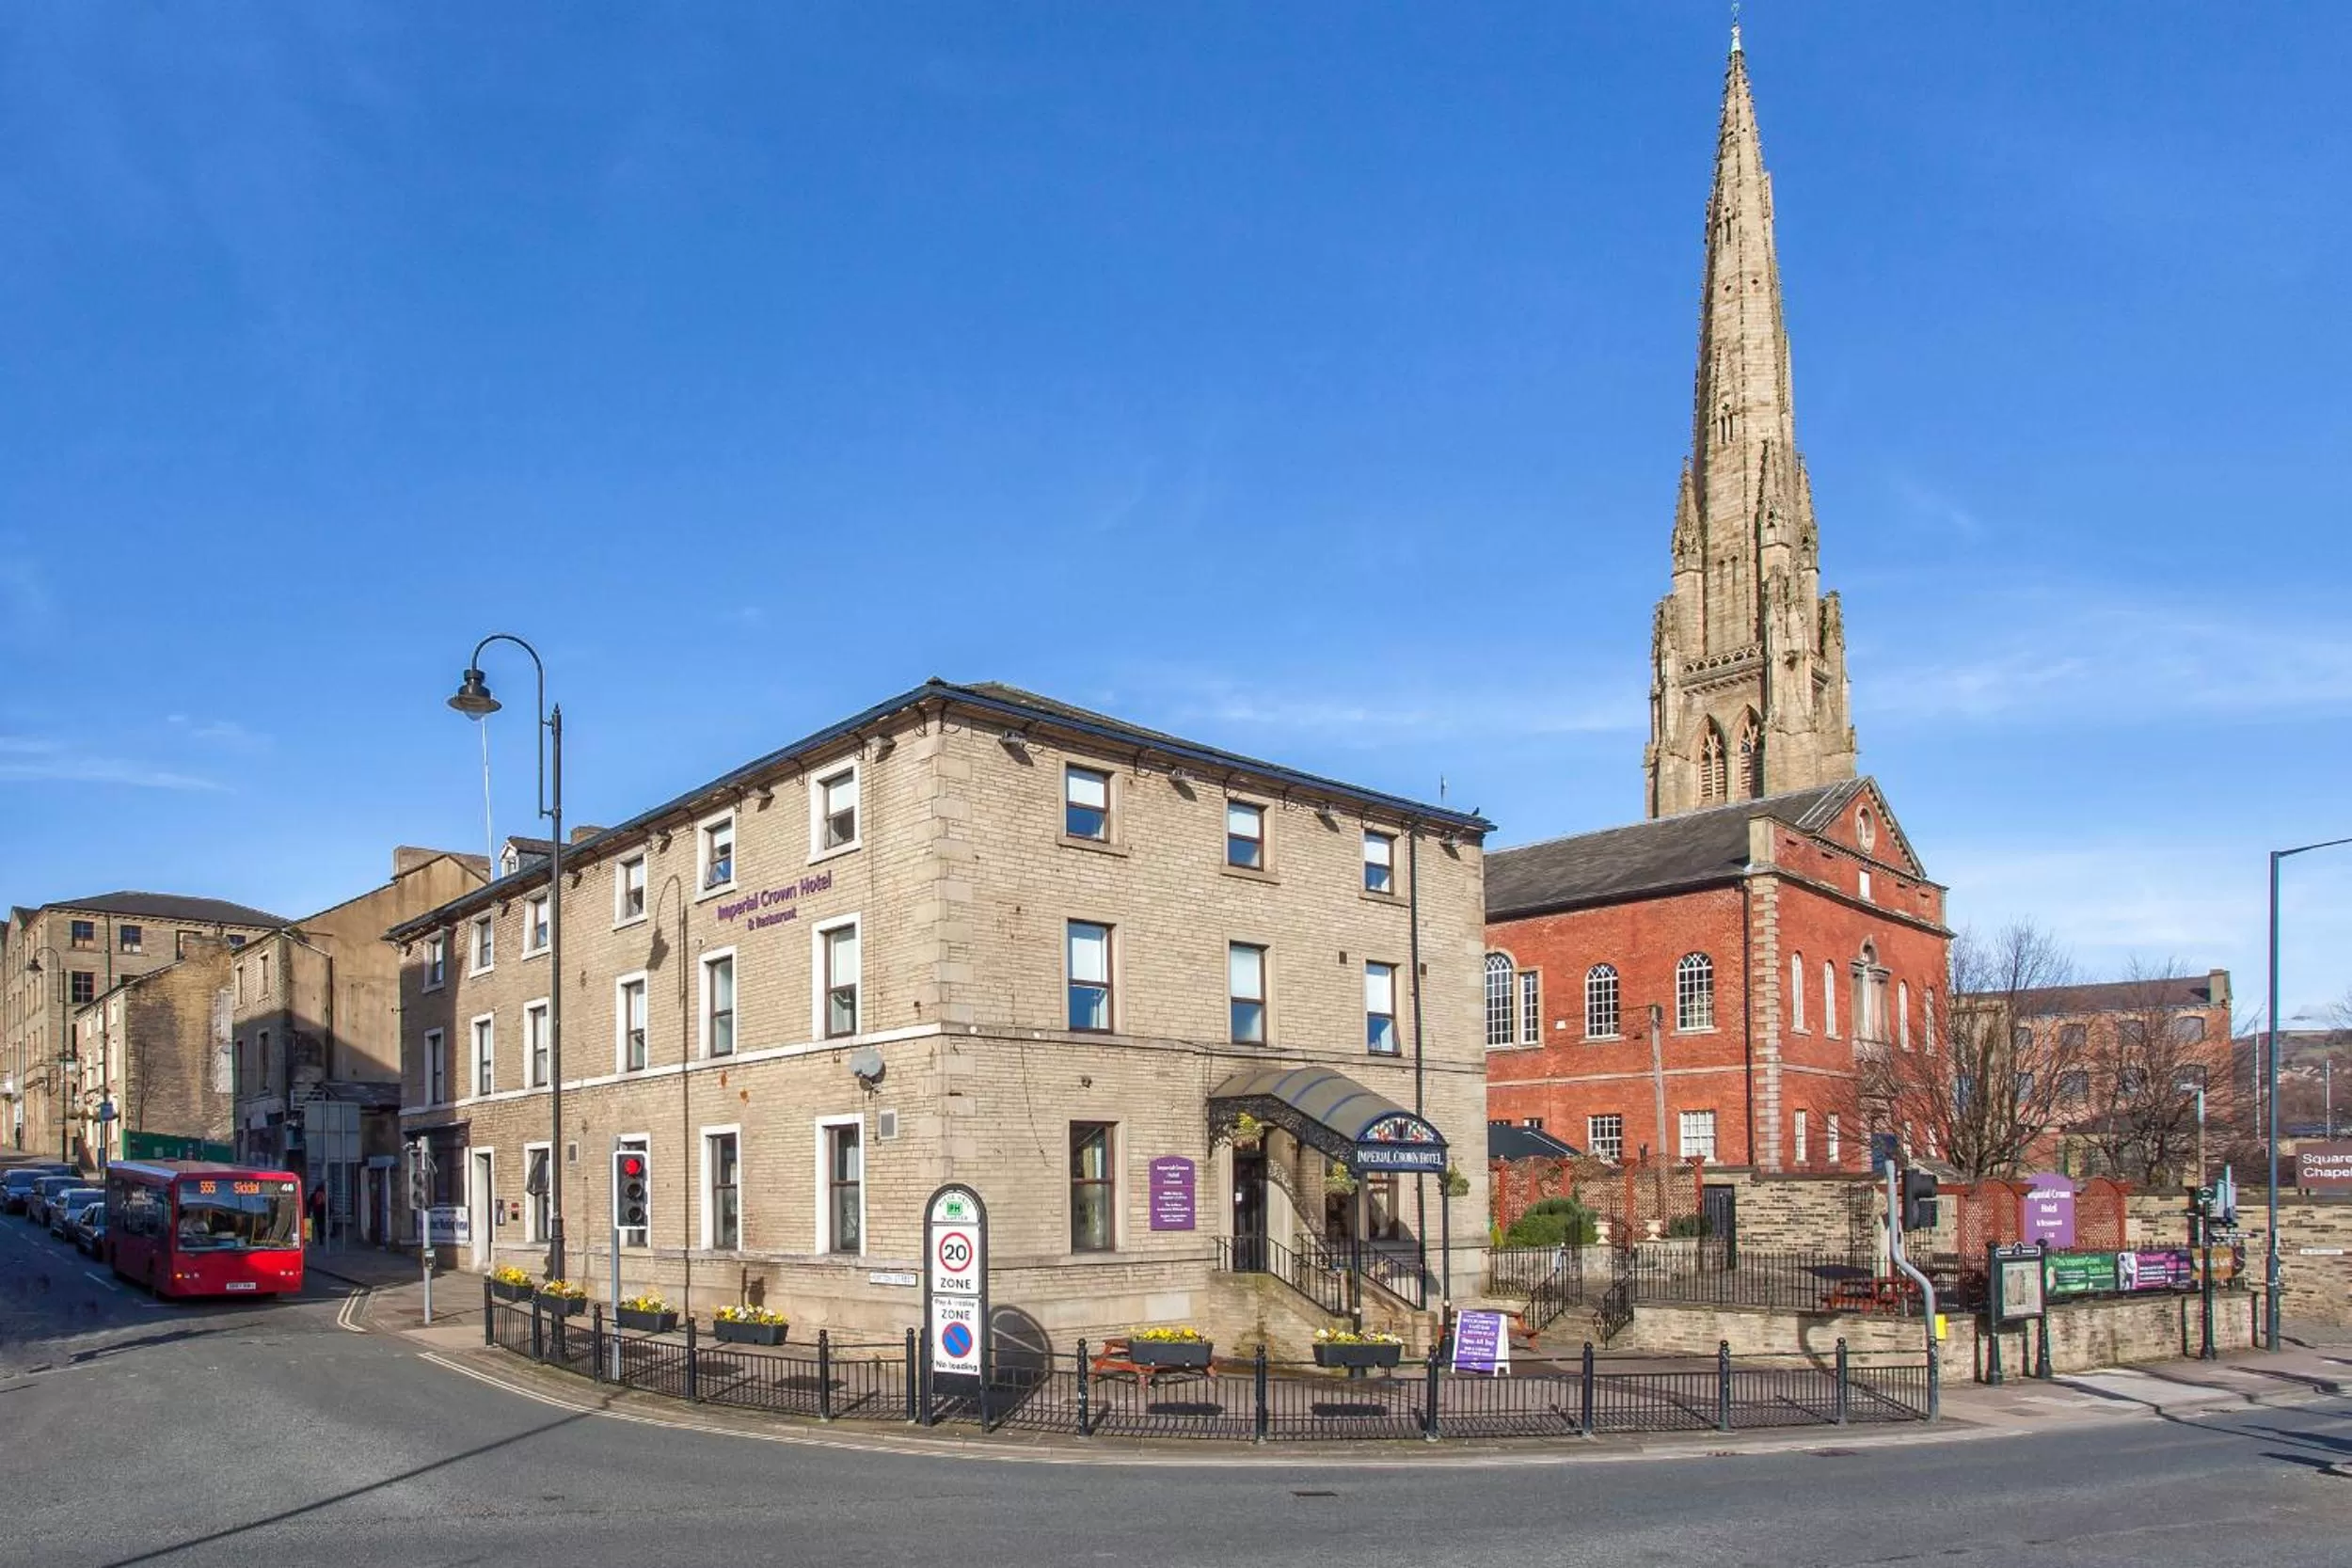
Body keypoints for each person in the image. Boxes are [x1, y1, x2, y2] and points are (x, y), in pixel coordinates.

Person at [307, 1180, 326, 1246]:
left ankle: (316, 1238)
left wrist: (309, 1211)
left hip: (316, 1212)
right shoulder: (324, 1195)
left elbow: (310, 1204)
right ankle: (321, 1236)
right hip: (322, 1212)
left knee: (317, 1225)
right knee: (321, 1224)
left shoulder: (313, 1195)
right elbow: (327, 1204)